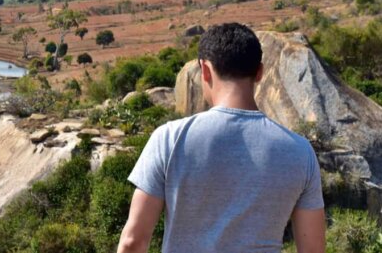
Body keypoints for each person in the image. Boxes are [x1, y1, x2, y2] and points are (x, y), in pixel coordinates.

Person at [116, 22, 325, 253]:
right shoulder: (300, 152)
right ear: (259, 72)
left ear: (205, 70)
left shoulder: (169, 139)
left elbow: (133, 242)